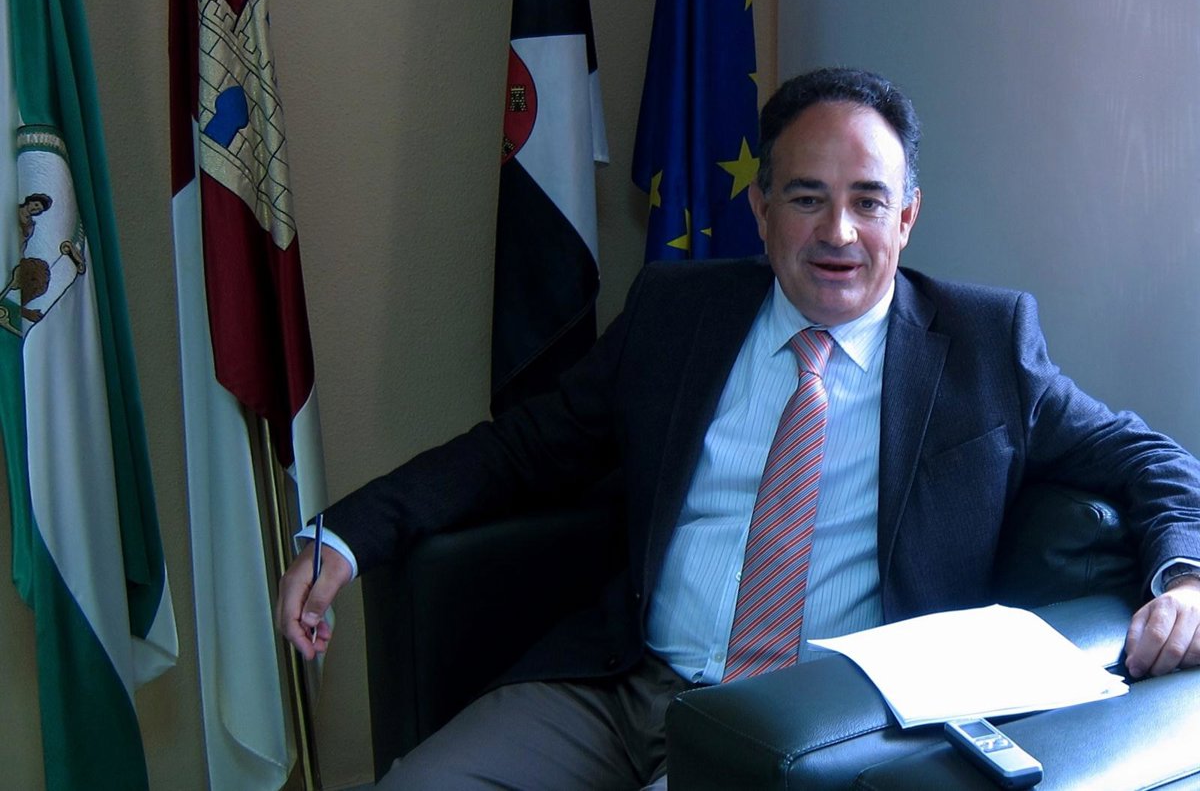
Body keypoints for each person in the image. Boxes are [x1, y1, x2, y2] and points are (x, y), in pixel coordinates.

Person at [278, 68, 1200, 790]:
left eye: (869, 200)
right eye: (805, 197)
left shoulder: (987, 345)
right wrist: (349, 536)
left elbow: (1147, 456)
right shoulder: (677, 316)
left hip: (801, 725)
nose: (839, 232)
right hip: (623, 685)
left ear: (908, 217)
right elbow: (521, 448)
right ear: (760, 212)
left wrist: (1187, 576)